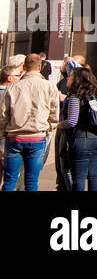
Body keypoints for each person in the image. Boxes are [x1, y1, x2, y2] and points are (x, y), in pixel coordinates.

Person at [0, 53, 60, 190]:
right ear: (39, 66)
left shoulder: (13, 87)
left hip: (15, 136)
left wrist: (4, 133)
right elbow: (54, 114)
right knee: (31, 180)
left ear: (24, 67)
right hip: (37, 136)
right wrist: (47, 128)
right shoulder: (49, 86)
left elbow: (3, 115)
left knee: (10, 179)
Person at [59, 67, 97, 191]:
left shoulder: (76, 96)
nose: (68, 78)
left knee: (79, 177)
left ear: (77, 79)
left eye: (70, 75)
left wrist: (58, 124)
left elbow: (71, 121)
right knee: (93, 174)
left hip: (82, 138)